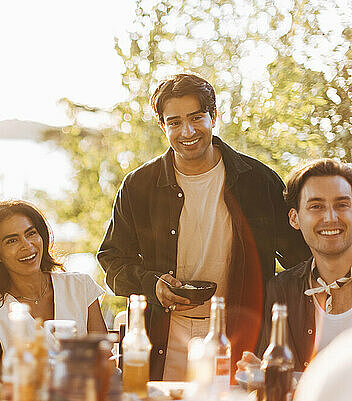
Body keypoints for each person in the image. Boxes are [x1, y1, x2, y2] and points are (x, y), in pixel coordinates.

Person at [97, 73, 310, 380]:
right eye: (174, 122)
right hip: (164, 335)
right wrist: (152, 284)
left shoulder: (258, 182)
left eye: (197, 118)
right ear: (162, 126)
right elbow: (112, 261)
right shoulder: (138, 186)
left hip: (240, 332)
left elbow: (300, 261)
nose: (187, 131)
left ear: (213, 116)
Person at [0, 200, 107, 385]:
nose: (27, 245)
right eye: (12, 240)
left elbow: (104, 362)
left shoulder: (80, 286)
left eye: (31, 233)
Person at [237, 159, 352, 373]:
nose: (330, 217)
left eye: (342, 204)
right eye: (316, 206)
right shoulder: (281, 290)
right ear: (294, 218)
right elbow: (275, 372)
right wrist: (262, 373)